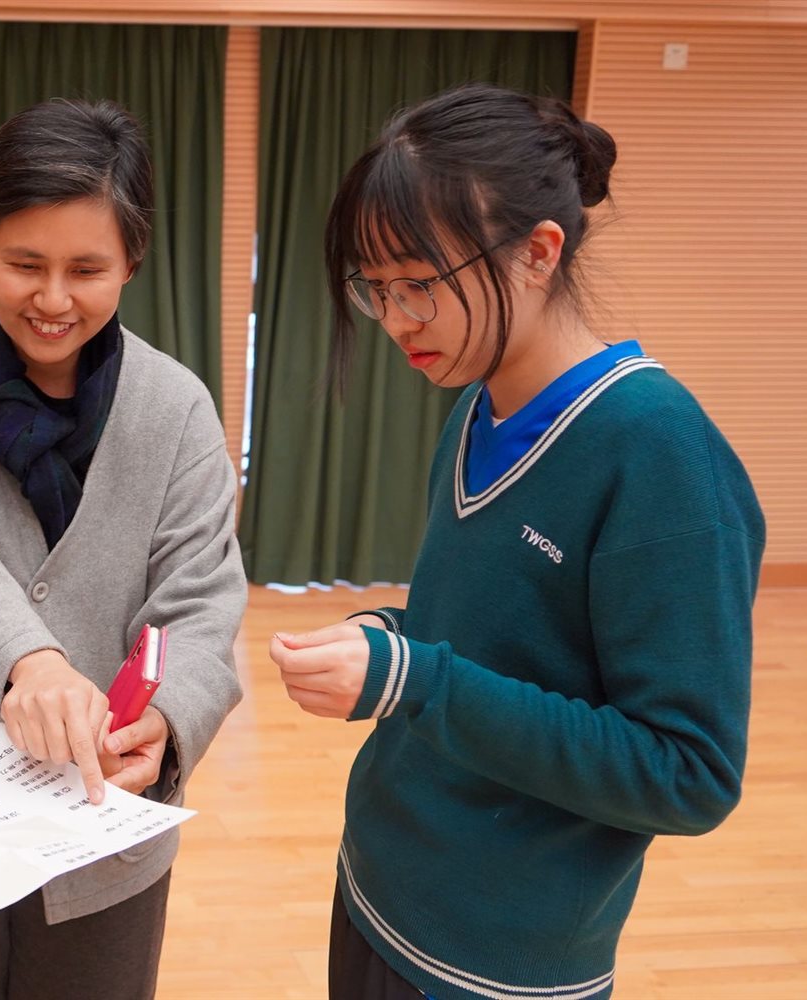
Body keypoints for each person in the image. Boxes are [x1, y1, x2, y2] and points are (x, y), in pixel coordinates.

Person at [269, 83, 763, 1000]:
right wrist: (391, 640)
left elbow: (688, 772)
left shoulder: (660, 451)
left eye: (420, 283)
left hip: (497, 961)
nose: (396, 319)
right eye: (376, 289)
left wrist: (417, 680)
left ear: (538, 253)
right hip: (375, 886)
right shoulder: (476, 408)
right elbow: (492, 642)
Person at [0, 98, 246, 999]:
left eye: (88, 269)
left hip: (102, 816)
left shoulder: (177, 408)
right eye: (25, 264)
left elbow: (199, 600)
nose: (55, 299)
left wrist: (165, 725)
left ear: (132, 262)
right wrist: (29, 662)